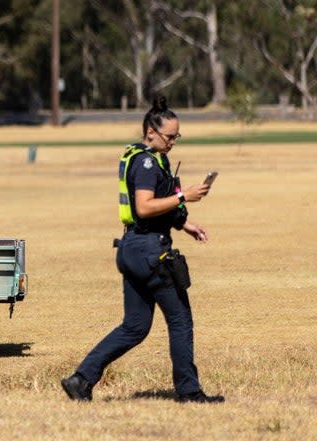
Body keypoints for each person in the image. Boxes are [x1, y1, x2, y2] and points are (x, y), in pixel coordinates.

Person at [61, 96, 224, 404]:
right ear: (151, 132)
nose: (174, 141)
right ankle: (189, 392)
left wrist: (186, 225)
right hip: (149, 251)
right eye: (170, 136)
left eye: (178, 136)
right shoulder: (147, 163)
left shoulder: (150, 158)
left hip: (133, 248)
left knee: (135, 326)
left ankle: (81, 379)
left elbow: (149, 212)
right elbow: (145, 207)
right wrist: (183, 197)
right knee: (180, 320)